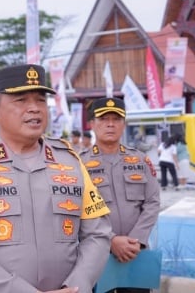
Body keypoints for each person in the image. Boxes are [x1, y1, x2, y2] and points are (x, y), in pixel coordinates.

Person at [0, 64, 112, 293]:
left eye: (40, 100)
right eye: (21, 100)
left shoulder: (71, 162)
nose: (34, 108)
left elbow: (98, 234)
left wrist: (77, 286)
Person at [81, 97, 161, 293]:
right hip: (97, 254)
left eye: (116, 119)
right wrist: (111, 240)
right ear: (92, 124)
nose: (110, 124)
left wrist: (136, 240)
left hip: (136, 253)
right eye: (103, 119)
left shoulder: (140, 160)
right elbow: (78, 211)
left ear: (124, 124)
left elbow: (152, 202)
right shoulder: (78, 164)